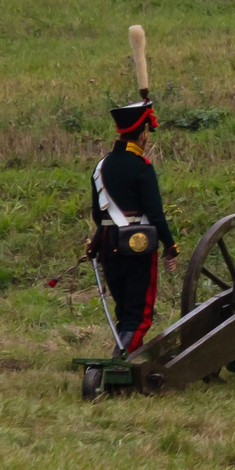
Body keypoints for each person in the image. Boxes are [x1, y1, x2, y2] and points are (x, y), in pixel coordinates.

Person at [89, 95, 177, 353]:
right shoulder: (142, 167)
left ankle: (127, 360)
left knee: (125, 311)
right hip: (137, 246)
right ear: (143, 135)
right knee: (139, 315)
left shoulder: (101, 167)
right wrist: (170, 246)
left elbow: (97, 214)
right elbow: (155, 214)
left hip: (108, 245)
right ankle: (119, 364)